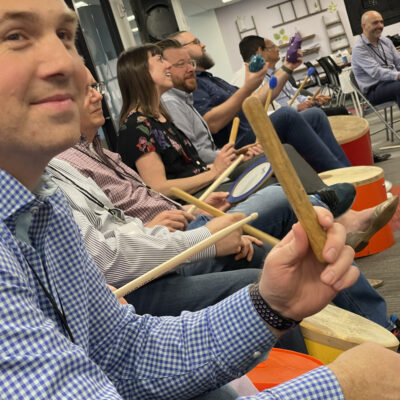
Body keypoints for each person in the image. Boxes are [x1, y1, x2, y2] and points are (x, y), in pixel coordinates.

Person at [2, 3, 400, 397]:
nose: (64, 65)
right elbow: (145, 207)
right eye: (15, 35)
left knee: (270, 260)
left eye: (65, 37)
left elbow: (126, 354)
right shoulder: (131, 131)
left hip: (169, 234)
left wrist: (271, 306)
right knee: (276, 197)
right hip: (159, 259)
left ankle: (335, 215)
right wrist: (342, 388)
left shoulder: (46, 196)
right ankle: (337, 212)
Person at [168, 32, 351, 173]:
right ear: (179, 52)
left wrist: (288, 66)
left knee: (315, 115)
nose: (203, 44)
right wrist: (247, 88)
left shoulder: (211, 78)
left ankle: (347, 171)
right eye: (196, 42)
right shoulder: (194, 85)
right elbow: (212, 123)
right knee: (287, 114)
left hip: (251, 129)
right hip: (241, 141)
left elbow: (254, 103)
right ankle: (339, 174)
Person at [235, 35, 349, 116]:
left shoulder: (274, 72)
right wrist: (297, 108)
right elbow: (269, 112)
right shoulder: (247, 79)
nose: (278, 49)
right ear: (260, 52)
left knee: (335, 111)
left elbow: (294, 94)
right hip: (289, 118)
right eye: (273, 47)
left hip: (295, 113)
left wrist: (312, 100)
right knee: (330, 113)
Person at [352, 10, 400, 110]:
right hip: (374, 89)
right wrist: (398, 75)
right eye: (375, 23)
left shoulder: (386, 41)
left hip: (392, 81)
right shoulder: (359, 49)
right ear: (364, 26)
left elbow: (398, 61)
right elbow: (376, 72)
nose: (380, 25)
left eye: (381, 22)